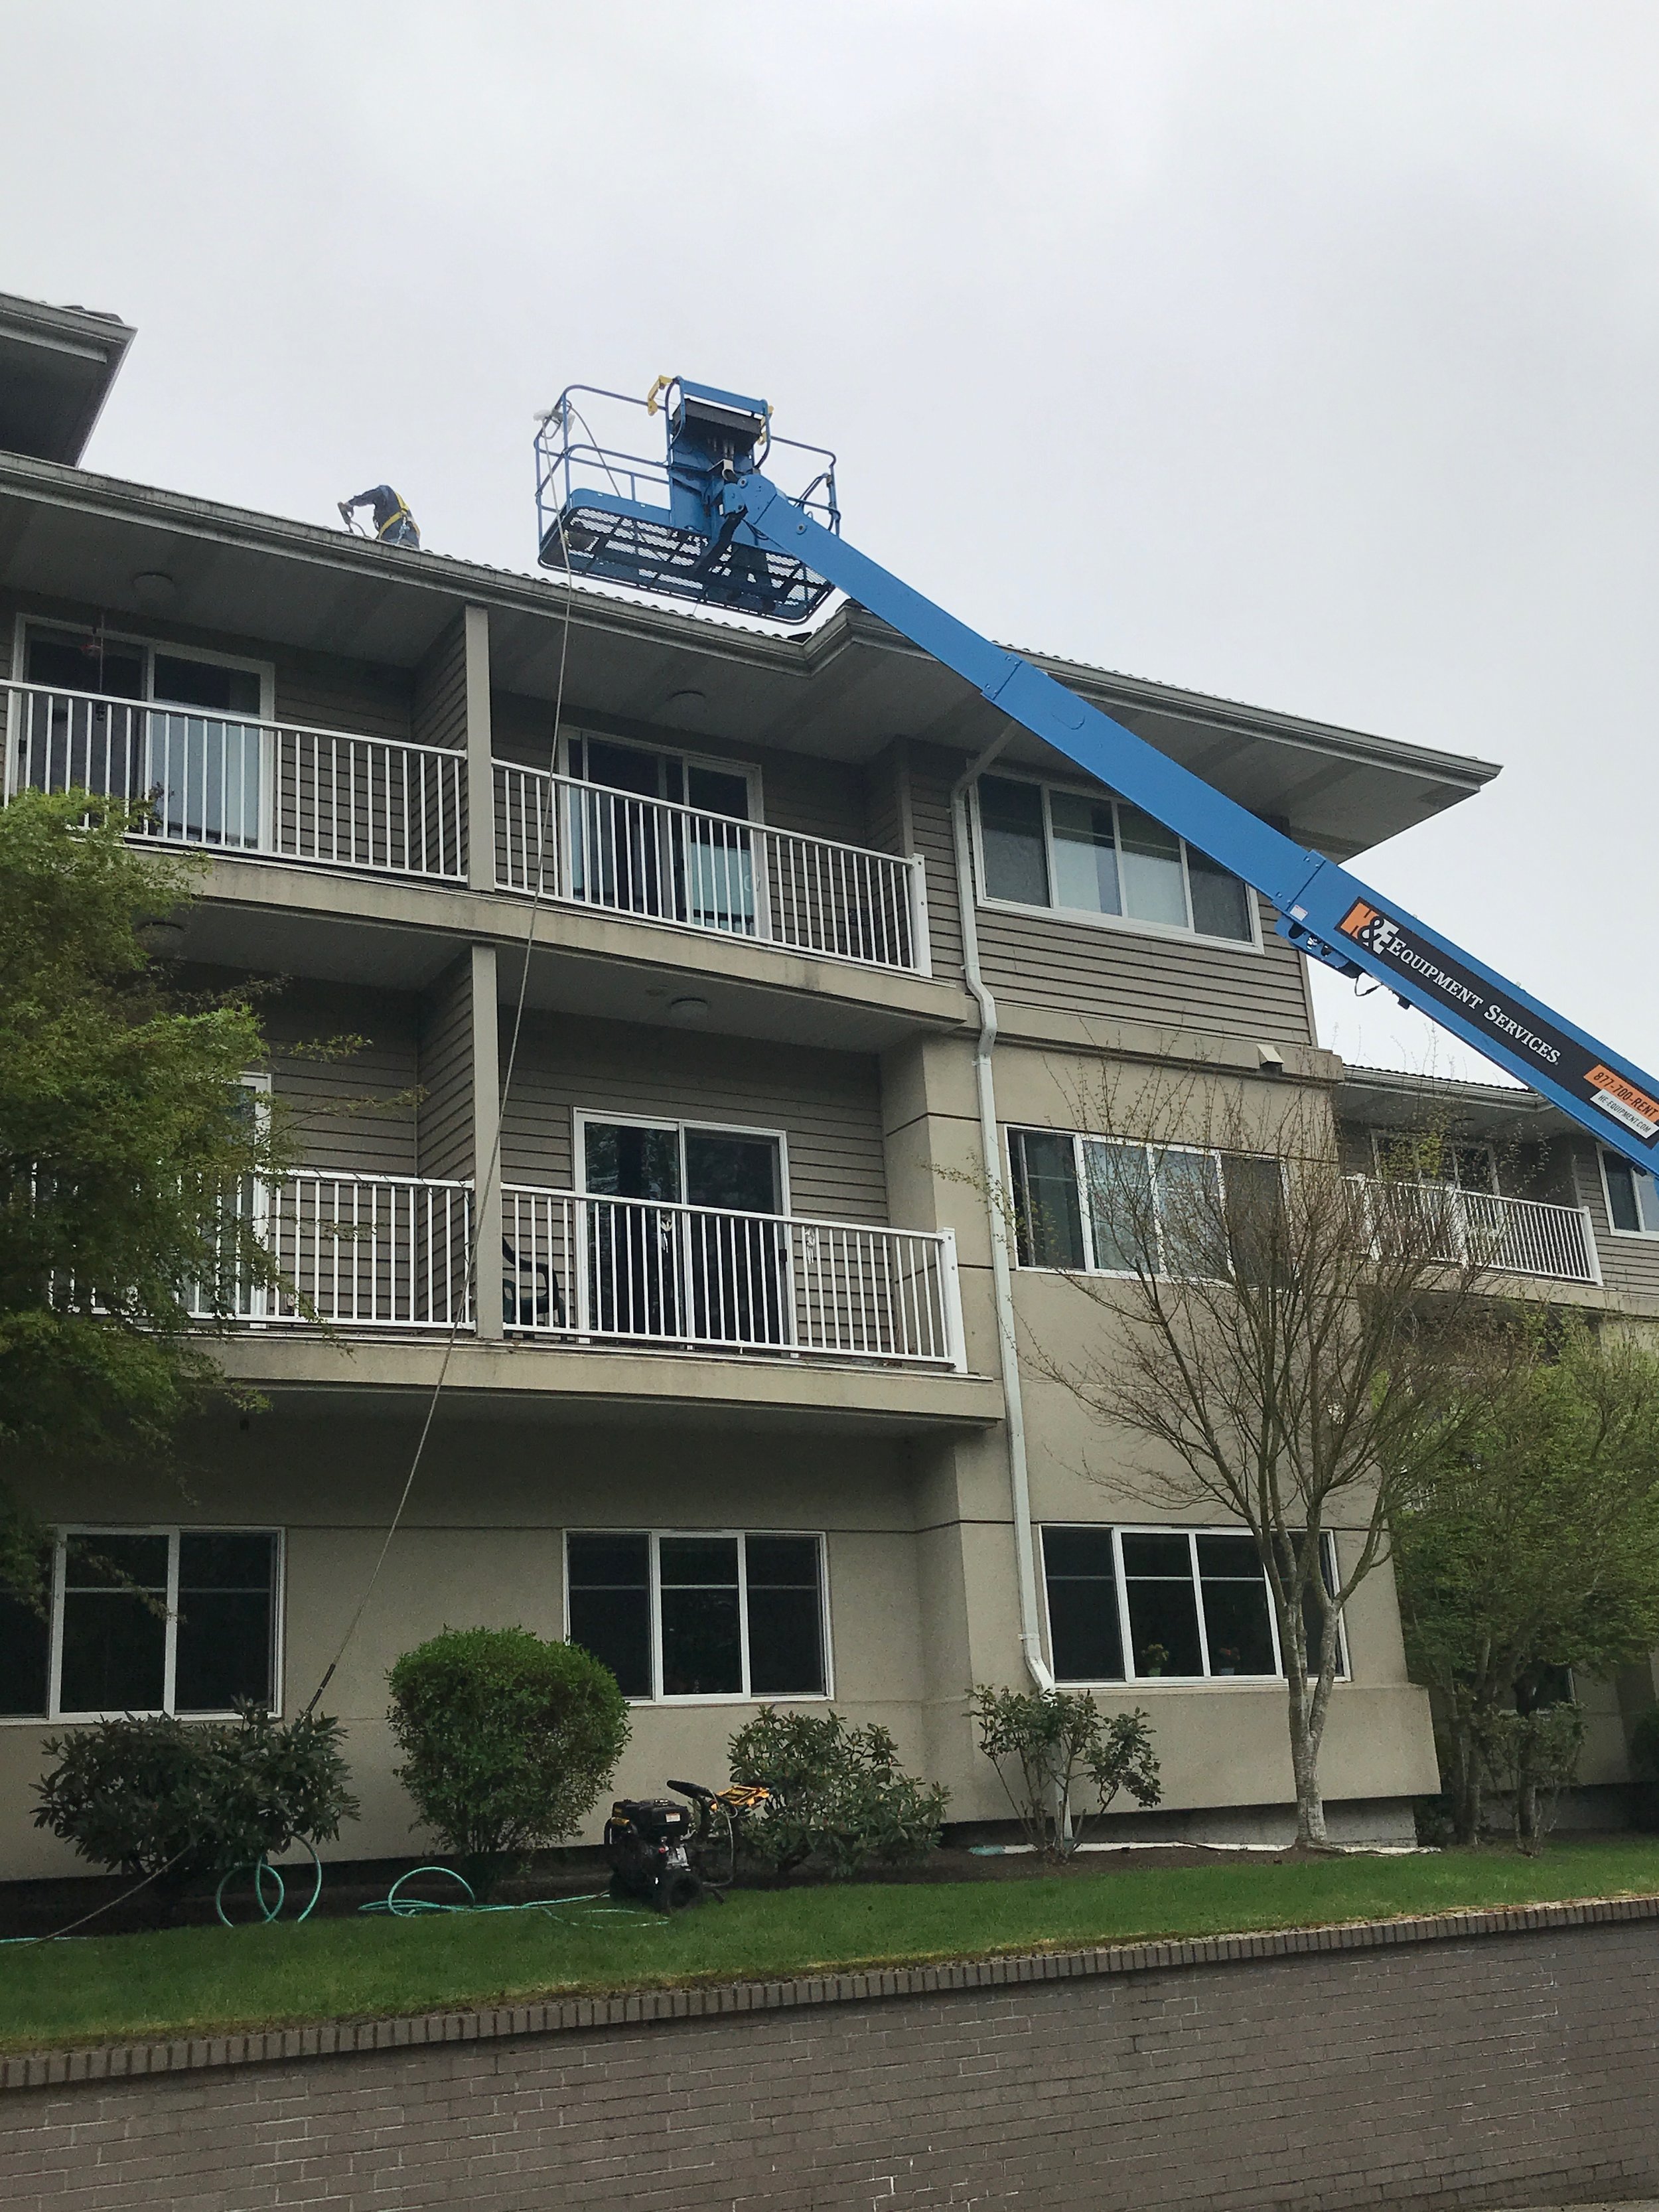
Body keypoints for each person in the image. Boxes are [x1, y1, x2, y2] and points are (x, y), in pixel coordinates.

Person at [338, 485, 421, 548]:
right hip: (404, 543)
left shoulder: (388, 494)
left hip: (403, 540)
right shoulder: (387, 531)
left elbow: (376, 494)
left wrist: (351, 504)